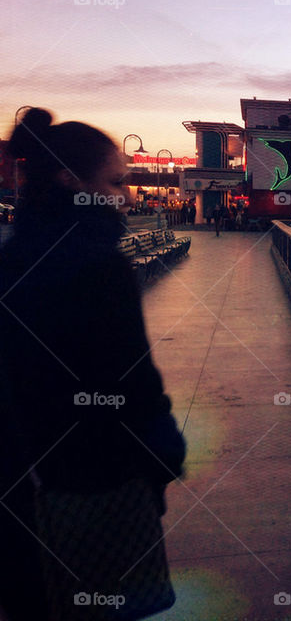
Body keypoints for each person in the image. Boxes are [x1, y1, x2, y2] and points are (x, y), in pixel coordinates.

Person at [0, 108, 186, 621]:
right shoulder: (97, 263)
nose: (125, 197)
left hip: (24, 476)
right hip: (95, 471)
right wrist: (163, 454)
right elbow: (132, 381)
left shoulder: (14, 257)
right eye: (116, 183)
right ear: (70, 181)